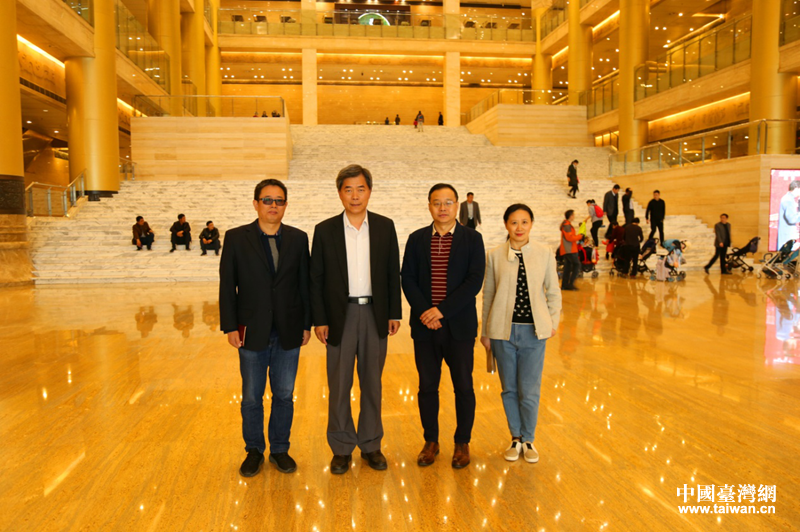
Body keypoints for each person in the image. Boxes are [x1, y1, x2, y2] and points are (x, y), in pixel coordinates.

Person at [310, 164, 402, 475]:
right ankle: (341, 447)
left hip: (375, 314)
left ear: (369, 191)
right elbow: (316, 278)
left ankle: (371, 444)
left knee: (372, 383)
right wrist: (320, 319)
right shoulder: (325, 230)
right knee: (339, 383)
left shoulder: (385, 226)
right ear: (339, 193)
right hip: (340, 315)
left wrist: (393, 312)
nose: (354, 195)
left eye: (360, 189)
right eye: (348, 189)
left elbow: (391, 272)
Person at [219, 179, 312, 478]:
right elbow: (227, 285)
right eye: (267, 200)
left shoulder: (298, 238)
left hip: (289, 330)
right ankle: (254, 450)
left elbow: (305, 285)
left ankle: (280, 449)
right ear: (256, 203)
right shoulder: (236, 238)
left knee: (284, 395)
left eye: (279, 200)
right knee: (251, 397)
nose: (273, 205)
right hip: (251, 330)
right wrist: (230, 326)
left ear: (286, 205)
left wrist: (306, 324)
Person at [401, 184, 485, 470]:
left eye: (448, 202)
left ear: (457, 205)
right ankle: (431, 441)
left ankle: (462, 442)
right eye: (437, 202)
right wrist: (426, 312)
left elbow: (474, 281)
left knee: (463, 385)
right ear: (429, 206)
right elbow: (408, 278)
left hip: (459, 327)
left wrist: (442, 311)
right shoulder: (417, 239)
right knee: (427, 386)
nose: (443, 208)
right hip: (425, 328)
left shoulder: (472, 239)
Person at [480, 204, 561, 464]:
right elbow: (488, 295)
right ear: (506, 225)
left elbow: (553, 292)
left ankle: (529, 439)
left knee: (530, 389)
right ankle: (515, 437)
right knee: (509, 389)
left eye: (524, 222)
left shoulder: (544, 254)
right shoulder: (494, 255)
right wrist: (485, 332)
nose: (519, 227)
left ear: (531, 224)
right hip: (502, 332)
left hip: (534, 333)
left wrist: (552, 323)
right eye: (514, 222)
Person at [559, 210, 583, 291]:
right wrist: (580, 236)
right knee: (577, 265)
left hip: (568, 249)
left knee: (568, 267)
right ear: (571, 216)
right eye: (573, 215)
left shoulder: (566, 225)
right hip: (570, 249)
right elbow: (569, 238)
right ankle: (570, 284)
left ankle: (565, 285)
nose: (574, 216)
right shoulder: (567, 225)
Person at [777, 180, 800, 250]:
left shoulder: (788, 199)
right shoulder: (788, 200)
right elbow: (792, 219)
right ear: (796, 189)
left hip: (787, 237)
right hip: (787, 238)